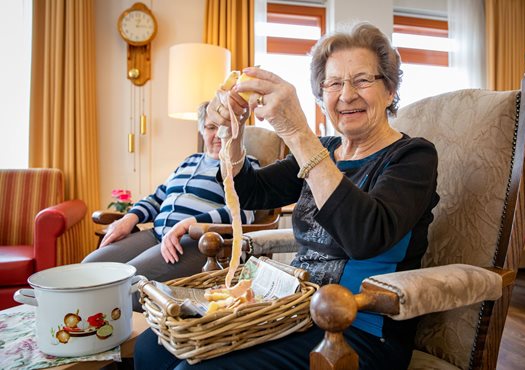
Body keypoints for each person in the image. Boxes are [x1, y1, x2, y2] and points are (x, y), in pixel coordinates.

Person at [134, 22, 439, 370]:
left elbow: (365, 237)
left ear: (389, 90)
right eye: (333, 83)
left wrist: (297, 132)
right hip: (292, 311)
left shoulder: (413, 156)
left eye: (362, 80)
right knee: (151, 348)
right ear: (321, 96)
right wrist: (233, 133)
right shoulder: (324, 149)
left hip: (359, 328)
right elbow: (251, 191)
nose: (347, 94)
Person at [82, 102, 260, 310]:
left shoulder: (244, 165)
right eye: (211, 127)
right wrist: (129, 218)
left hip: (196, 241)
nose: (218, 134)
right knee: (89, 268)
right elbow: (158, 197)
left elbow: (244, 212)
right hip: (156, 235)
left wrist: (189, 224)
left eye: (225, 128)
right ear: (202, 130)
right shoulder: (189, 162)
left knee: (127, 281)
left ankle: (113, 333)